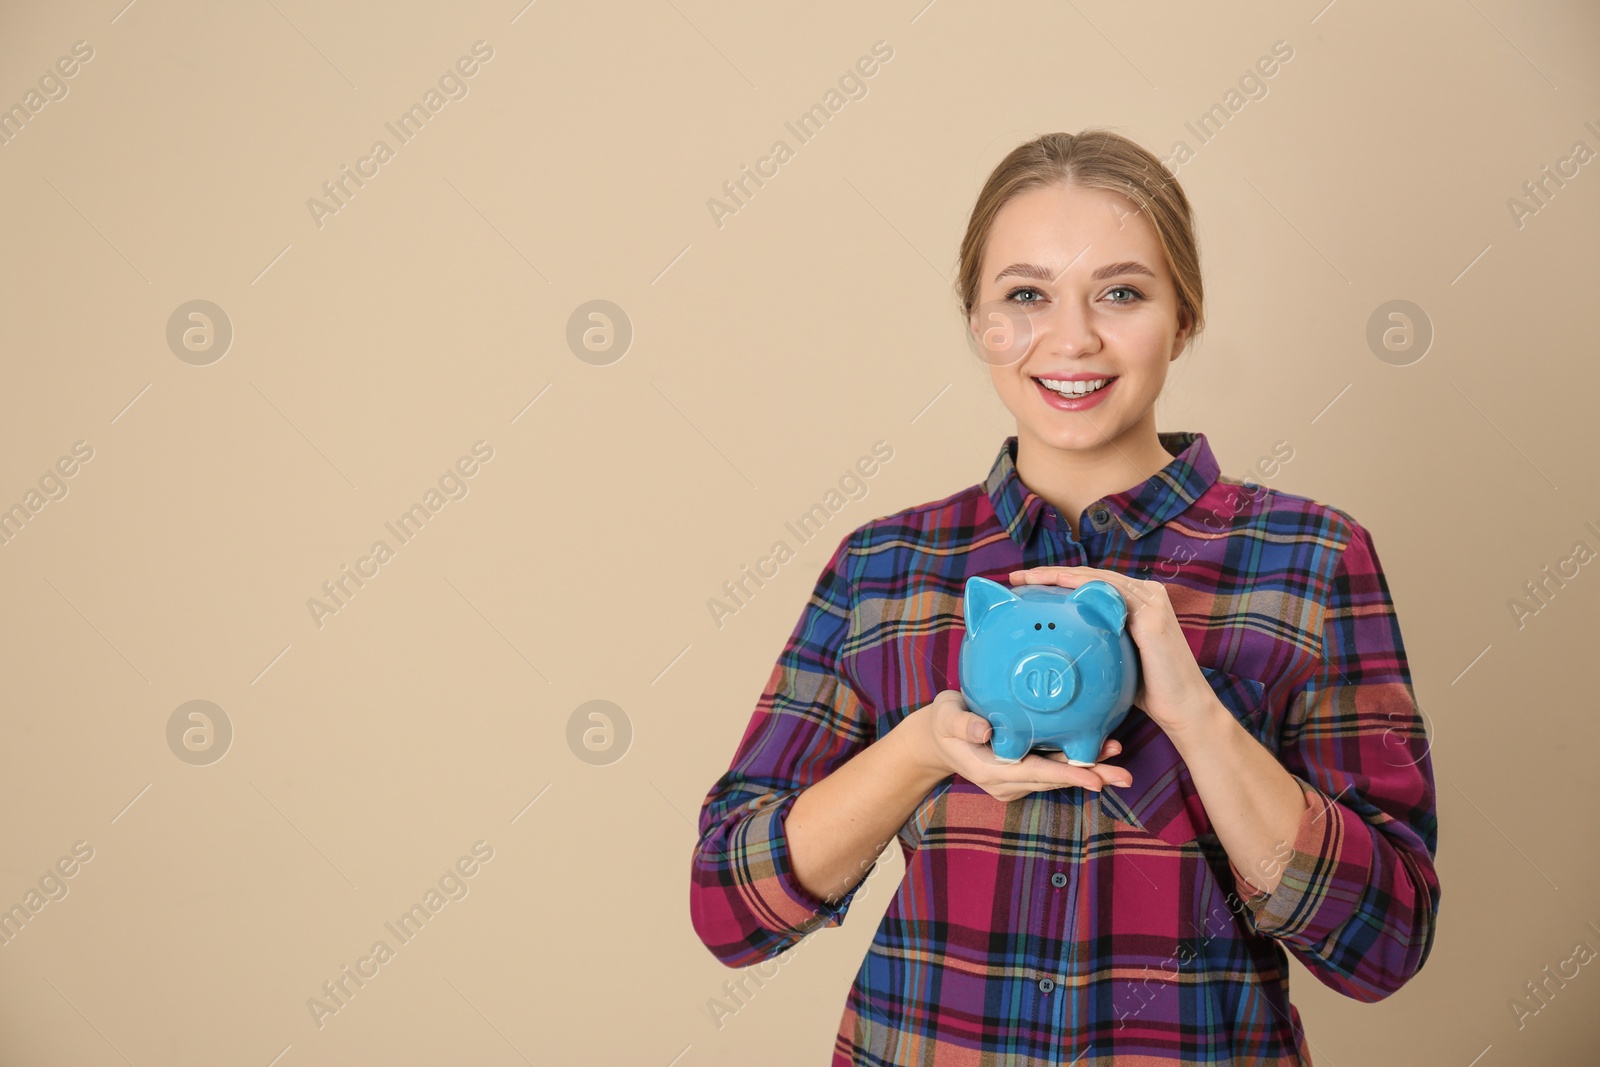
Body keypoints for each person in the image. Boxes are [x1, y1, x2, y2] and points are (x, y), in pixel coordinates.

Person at [689, 128, 1440, 1065]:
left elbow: (1387, 942)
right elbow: (729, 908)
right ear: (978, 321)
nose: (1073, 338)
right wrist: (924, 747)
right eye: (1026, 295)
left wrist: (1197, 716)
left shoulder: (1311, 559)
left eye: (1121, 292)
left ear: (1185, 316)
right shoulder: (884, 567)